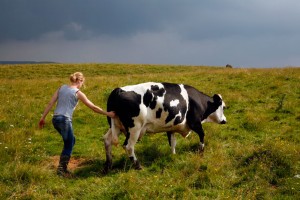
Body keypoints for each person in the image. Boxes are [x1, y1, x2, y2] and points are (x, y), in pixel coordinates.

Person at [38, 72, 115, 177]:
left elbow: (50, 103)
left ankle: (62, 165)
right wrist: (108, 113)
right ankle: (62, 170)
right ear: (80, 81)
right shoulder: (77, 93)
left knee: (71, 140)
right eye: (82, 82)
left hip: (55, 119)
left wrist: (42, 118)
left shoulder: (61, 88)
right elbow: (93, 107)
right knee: (69, 143)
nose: (82, 84)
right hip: (65, 120)